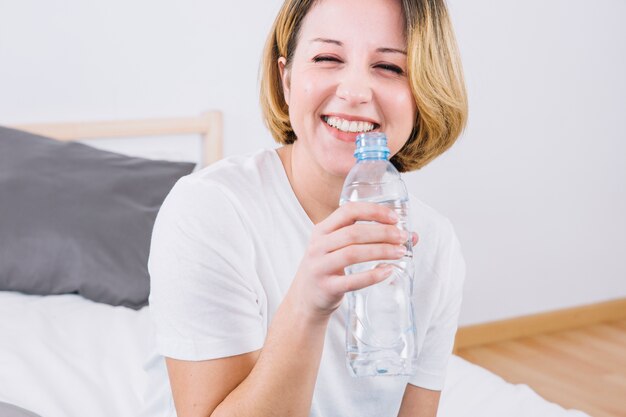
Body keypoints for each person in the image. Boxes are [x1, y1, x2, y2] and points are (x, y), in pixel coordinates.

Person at [144, 0, 468, 416]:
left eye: (390, 67)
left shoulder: (434, 242)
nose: (354, 92)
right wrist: (307, 305)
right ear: (286, 78)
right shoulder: (209, 211)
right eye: (328, 58)